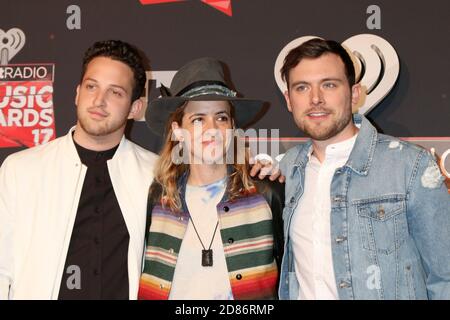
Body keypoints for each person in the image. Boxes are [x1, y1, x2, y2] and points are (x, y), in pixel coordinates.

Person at [278, 38, 450, 300]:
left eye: (329, 85)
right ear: (289, 100)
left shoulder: (410, 166)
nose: (315, 99)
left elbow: (445, 276)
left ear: (355, 93)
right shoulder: (289, 168)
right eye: (302, 88)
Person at [0, 40, 159, 299]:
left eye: (115, 92)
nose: (99, 100)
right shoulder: (20, 170)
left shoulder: (156, 174)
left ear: (135, 108)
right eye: (91, 86)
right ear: (77, 93)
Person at [138, 57, 284, 300]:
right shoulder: (159, 197)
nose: (212, 128)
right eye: (198, 119)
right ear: (178, 131)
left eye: (221, 117)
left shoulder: (266, 192)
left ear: (232, 126)